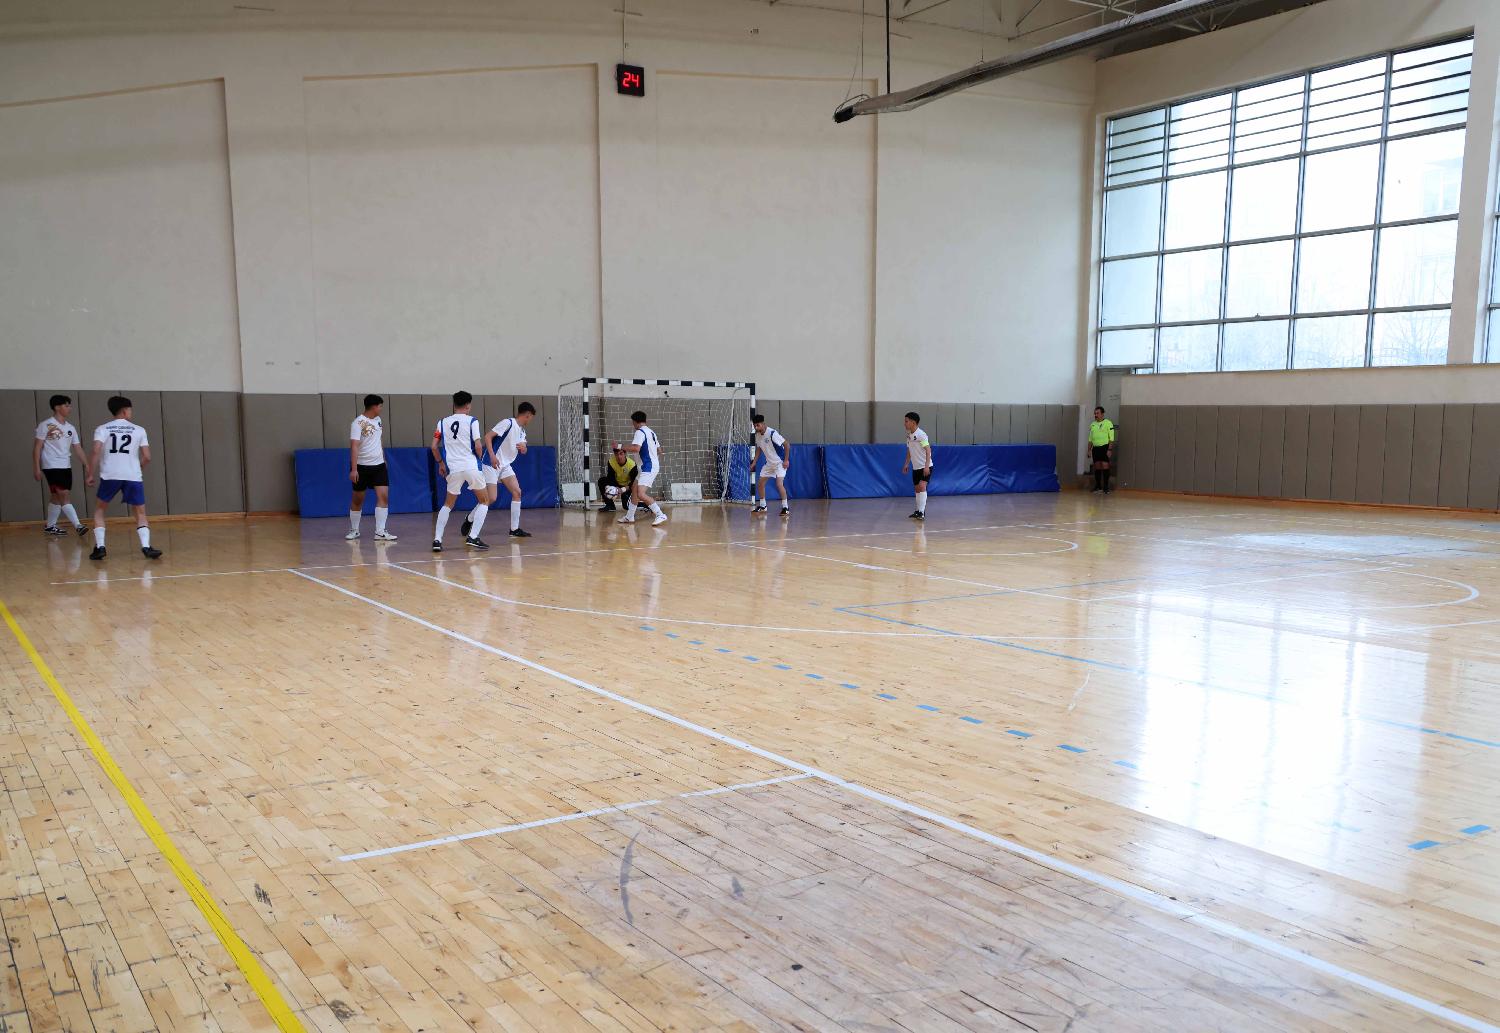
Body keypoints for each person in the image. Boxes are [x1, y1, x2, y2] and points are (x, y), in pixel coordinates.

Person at [86, 396, 162, 560]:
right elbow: (147, 457)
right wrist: (137, 468)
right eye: (130, 409)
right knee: (140, 512)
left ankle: (100, 547)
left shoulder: (102, 429)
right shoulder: (139, 430)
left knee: (99, 510)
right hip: (132, 476)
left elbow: (96, 451)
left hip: (110, 475)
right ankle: (146, 547)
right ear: (125, 410)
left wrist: (90, 473)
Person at [430, 390, 490, 552]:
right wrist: (479, 459)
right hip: (471, 466)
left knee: (447, 504)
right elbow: (478, 445)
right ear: (468, 405)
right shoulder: (472, 421)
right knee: (484, 501)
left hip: (453, 468)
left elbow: (434, 446)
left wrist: (441, 463)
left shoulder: (442, 422)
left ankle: (437, 540)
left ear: (454, 404)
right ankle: (473, 536)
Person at [478, 401, 536, 539]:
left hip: (505, 465)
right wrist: (492, 455)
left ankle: (514, 529)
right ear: (527, 415)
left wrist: (524, 448)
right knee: (491, 498)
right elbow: (488, 437)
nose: (531, 420)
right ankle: (470, 518)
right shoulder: (507, 423)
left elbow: (523, 449)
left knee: (517, 492)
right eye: (531, 417)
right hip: (491, 463)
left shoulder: (522, 431)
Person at [33, 394, 88, 537]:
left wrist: (87, 465)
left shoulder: (71, 428)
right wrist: (36, 467)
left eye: (70, 405)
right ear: (57, 407)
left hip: (66, 466)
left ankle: (50, 526)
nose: (70, 408)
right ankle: (78, 526)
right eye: (66, 405)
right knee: (64, 495)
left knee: (56, 497)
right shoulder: (45, 425)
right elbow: (37, 447)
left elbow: (77, 448)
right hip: (51, 465)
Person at [347, 394, 397, 541]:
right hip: (362, 467)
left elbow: (379, 440)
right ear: (374, 407)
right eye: (380, 406)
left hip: (379, 466)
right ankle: (354, 530)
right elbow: (354, 446)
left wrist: (383, 458)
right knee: (358, 499)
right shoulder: (357, 423)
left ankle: (380, 532)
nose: (381, 409)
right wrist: (354, 469)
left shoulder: (378, 420)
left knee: (384, 497)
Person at [620, 410, 668, 527]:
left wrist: (621, 446)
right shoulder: (652, 432)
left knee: (640, 494)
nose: (633, 425)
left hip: (648, 467)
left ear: (635, 422)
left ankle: (660, 514)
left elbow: (636, 448)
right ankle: (629, 516)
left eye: (633, 422)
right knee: (634, 490)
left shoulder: (639, 432)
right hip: (645, 466)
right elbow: (660, 450)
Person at [751, 414, 791, 518]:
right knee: (760, 483)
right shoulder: (758, 435)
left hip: (779, 463)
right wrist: (754, 462)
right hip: (769, 464)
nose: (756, 428)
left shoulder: (772, 433)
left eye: (758, 425)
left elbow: (786, 444)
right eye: (755, 426)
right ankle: (763, 506)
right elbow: (759, 449)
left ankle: (785, 507)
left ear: (763, 424)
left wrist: (786, 460)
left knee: (779, 484)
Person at [901, 411, 932, 521]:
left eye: (906, 421)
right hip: (916, 467)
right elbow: (909, 451)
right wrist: (906, 463)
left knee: (922, 486)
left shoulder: (921, 435)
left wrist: (927, 466)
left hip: (925, 466)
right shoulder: (909, 436)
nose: (904, 423)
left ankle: (922, 512)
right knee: (917, 489)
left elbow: (928, 450)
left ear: (913, 422)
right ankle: (918, 511)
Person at [597, 442, 637, 511]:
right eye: (616, 454)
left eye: (621, 454)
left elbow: (634, 483)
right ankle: (610, 506)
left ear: (625, 454)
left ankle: (647, 505)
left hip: (628, 486)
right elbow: (610, 477)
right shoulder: (611, 462)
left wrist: (622, 489)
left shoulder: (632, 465)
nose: (619, 457)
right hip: (617, 483)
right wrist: (611, 489)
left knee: (626, 506)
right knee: (602, 480)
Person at [1088, 406, 1116, 494]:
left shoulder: (1108, 423)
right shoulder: (1092, 424)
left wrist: (1109, 449)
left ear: (1102, 414)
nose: (1095, 415)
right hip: (1096, 448)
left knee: (1105, 466)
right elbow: (1090, 439)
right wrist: (1089, 450)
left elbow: (1111, 438)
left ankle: (1106, 487)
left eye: (1097, 413)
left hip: (1105, 447)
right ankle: (1098, 486)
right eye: (1095, 413)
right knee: (1097, 466)